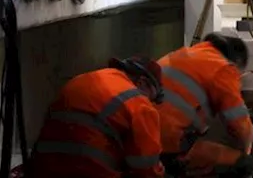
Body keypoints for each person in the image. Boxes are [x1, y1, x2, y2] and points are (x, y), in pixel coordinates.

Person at [24, 57, 166, 178]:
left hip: (43, 169)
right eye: (152, 98)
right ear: (142, 83)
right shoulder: (138, 102)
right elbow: (147, 170)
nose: (150, 103)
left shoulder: (83, 79)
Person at [156, 33, 253, 177]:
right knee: (242, 163)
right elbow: (240, 124)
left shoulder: (183, 54)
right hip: (169, 149)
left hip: (144, 141)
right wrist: (247, 150)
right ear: (236, 63)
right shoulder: (222, 68)